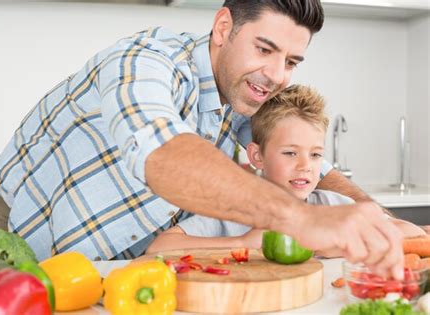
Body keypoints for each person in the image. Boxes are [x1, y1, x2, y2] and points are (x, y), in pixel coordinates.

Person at [0, 0, 405, 279]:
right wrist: (303, 220)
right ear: (223, 27)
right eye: (264, 48)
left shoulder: (241, 98)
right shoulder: (146, 61)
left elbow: (303, 160)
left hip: (122, 258)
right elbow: (163, 154)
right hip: (28, 231)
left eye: (291, 60)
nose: (276, 74)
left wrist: (380, 221)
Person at [146, 85, 426, 255]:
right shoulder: (231, 213)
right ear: (257, 156)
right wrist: (242, 242)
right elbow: (159, 248)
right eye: (290, 153)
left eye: (316, 154)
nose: (305, 165)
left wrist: (330, 240)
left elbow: (409, 233)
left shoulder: (333, 205)